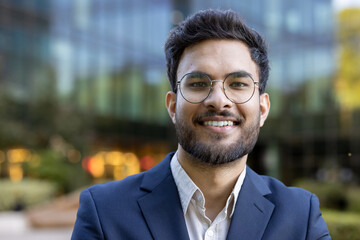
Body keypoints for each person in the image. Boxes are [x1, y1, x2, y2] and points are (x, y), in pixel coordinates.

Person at [71, 9, 330, 240]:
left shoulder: (300, 217)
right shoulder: (103, 211)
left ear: (262, 109)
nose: (219, 101)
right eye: (198, 83)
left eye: (238, 84)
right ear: (172, 106)